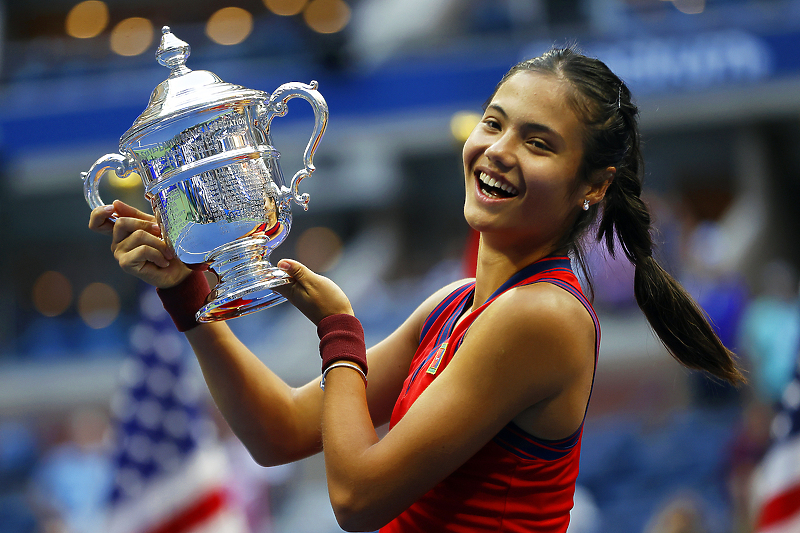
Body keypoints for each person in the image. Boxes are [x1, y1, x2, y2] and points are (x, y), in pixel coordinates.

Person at [89, 47, 745, 532]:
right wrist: (187, 293)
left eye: (538, 142)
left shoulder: (542, 315)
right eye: (495, 122)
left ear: (593, 185)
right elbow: (281, 432)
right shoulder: (454, 304)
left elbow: (356, 498)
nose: (498, 150)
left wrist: (338, 329)